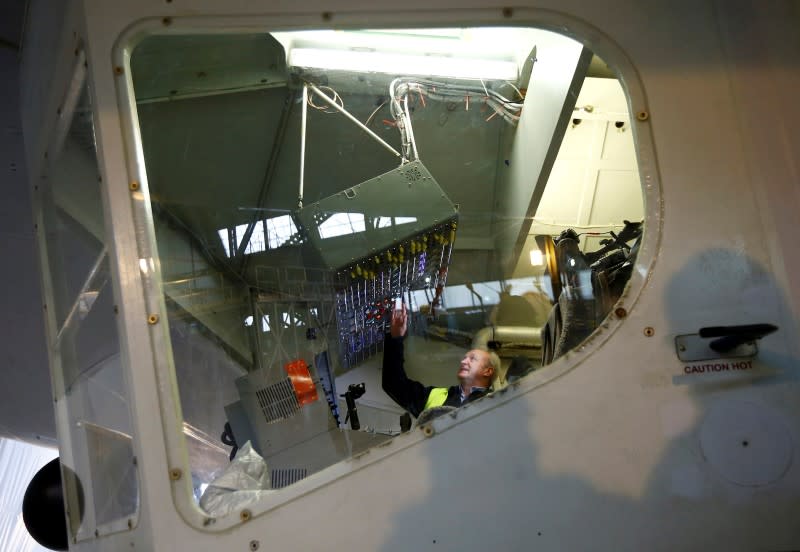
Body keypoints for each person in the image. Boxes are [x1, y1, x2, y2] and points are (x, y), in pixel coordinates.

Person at [382, 304, 500, 418]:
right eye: (464, 358)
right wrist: (396, 338)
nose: (464, 362)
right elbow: (395, 384)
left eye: (472, 359)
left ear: (488, 371)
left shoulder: (495, 405)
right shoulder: (436, 396)